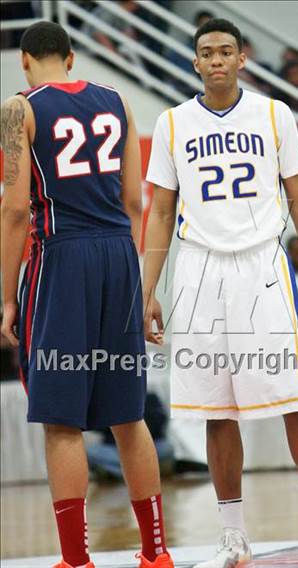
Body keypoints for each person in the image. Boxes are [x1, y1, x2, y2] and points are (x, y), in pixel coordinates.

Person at [143, 17, 298, 568]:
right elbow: (162, 212)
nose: (216, 60)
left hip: (262, 266)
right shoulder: (172, 123)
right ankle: (233, 535)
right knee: (216, 410)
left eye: (225, 51)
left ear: (242, 59)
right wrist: (147, 290)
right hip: (196, 269)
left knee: (295, 400)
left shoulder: (273, 113)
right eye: (206, 53)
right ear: (194, 63)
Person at [0, 21, 173, 568]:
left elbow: (13, 209)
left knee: (61, 419)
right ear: (71, 57)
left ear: (24, 61)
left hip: (62, 254)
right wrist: (145, 288)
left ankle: (76, 560)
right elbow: (134, 202)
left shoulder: (17, 108)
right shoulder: (118, 101)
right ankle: (156, 553)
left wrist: (6, 297)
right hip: (120, 254)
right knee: (128, 415)